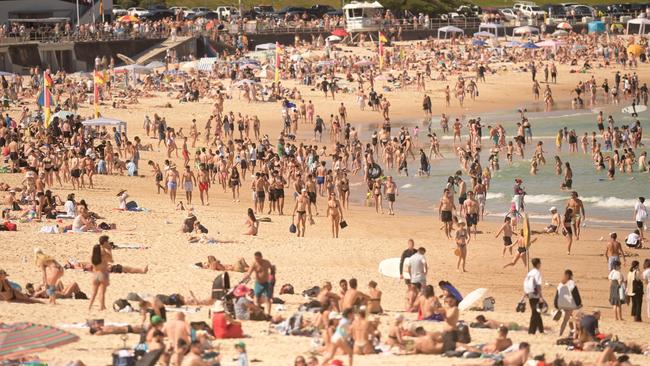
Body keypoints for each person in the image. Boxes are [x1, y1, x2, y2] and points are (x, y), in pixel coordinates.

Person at [243, 251, 273, 316]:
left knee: (268, 298)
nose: (257, 260)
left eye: (258, 258)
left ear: (261, 257)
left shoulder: (266, 262)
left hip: (266, 283)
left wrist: (271, 277)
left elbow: (271, 269)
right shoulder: (254, 264)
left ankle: (268, 313)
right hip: (258, 283)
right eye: (255, 258)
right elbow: (249, 272)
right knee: (256, 298)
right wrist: (245, 277)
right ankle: (258, 312)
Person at [554, 269, 582, 336]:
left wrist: (556, 305)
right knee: (568, 319)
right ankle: (562, 333)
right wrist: (579, 304)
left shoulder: (560, 283)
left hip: (560, 304)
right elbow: (575, 294)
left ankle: (570, 331)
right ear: (570, 276)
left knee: (569, 317)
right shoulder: (572, 283)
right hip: (569, 305)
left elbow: (557, 295)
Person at [88, 235, 113, 311]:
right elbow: (111, 260)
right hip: (103, 274)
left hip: (95, 274)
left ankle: (89, 306)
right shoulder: (105, 253)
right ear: (105, 242)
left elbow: (91, 263)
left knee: (94, 292)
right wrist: (109, 250)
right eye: (107, 241)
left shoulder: (93, 253)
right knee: (102, 292)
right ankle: (101, 306)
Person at [524, 258, 545, 334]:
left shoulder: (530, 273)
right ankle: (531, 331)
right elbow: (538, 285)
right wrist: (541, 296)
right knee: (535, 313)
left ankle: (541, 330)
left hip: (529, 293)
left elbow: (526, 283)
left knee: (537, 312)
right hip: (535, 294)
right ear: (538, 264)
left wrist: (525, 294)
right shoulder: (537, 273)